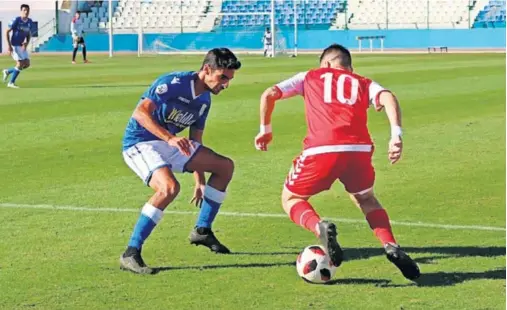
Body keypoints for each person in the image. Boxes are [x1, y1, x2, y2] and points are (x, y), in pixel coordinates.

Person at [254, 43, 420, 281]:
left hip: (322, 148)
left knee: (291, 198)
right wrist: (396, 136)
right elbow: (388, 97)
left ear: (327, 64)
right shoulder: (362, 82)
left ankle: (318, 227)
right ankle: (391, 245)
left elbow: (269, 93)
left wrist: (265, 130)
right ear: (348, 67)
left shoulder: (310, 76)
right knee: (366, 199)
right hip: (359, 149)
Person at [120, 48, 241, 274]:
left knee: (224, 167)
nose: (226, 84)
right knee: (169, 188)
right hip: (140, 143)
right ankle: (131, 252)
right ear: (207, 69)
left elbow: (195, 141)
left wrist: (200, 180)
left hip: (171, 145)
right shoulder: (173, 82)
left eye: (229, 79)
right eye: (223, 77)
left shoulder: (204, 100)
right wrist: (170, 138)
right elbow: (140, 113)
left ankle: (202, 230)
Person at [2, 4, 33, 89]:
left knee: (27, 64)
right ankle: (11, 82)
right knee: (20, 63)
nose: (26, 12)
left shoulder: (30, 21)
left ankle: (8, 71)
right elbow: (7, 32)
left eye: (27, 10)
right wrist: (9, 46)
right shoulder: (16, 20)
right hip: (14, 44)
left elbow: (28, 34)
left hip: (21, 45)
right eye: (24, 10)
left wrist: (26, 43)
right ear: (21, 11)